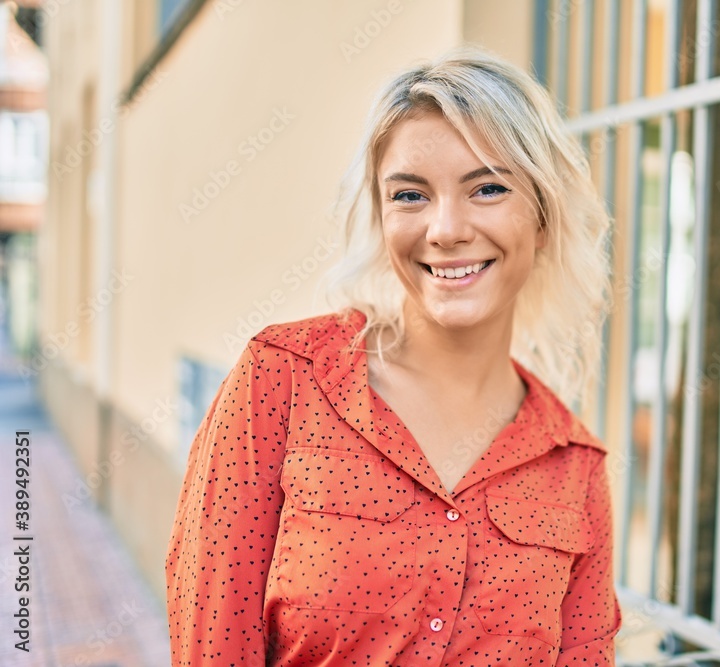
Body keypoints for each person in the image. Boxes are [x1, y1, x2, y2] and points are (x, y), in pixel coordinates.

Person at [165, 46, 621, 666]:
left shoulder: (574, 469)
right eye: (410, 195)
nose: (445, 229)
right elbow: (212, 644)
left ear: (542, 216)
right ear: (380, 218)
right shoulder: (281, 380)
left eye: (487, 188)